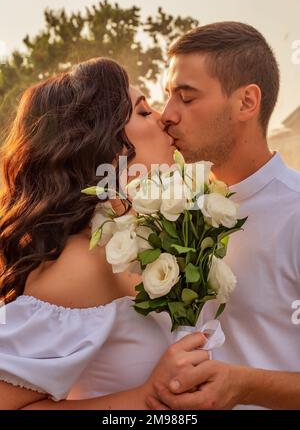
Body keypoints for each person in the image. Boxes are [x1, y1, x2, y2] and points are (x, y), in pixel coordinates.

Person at [0, 57, 208, 410]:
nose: (163, 117)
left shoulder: (135, 241)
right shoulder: (80, 263)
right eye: (143, 112)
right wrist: (143, 399)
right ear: (105, 147)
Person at [146, 21, 300, 410]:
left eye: (186, 97)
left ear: (247, 102)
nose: (167, 115)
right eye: (168, 96)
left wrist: (245, 386)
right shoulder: (167, 208)